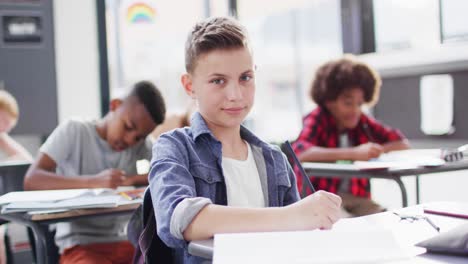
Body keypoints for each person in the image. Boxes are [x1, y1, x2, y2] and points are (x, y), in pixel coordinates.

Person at [149, 17, 341, 263]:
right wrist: (293, 215)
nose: (235, 95)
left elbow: (297, 237)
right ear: (190, 86)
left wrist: (315, 217)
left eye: (245, 78)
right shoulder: (174, 147)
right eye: (218, 81)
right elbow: (181, 220)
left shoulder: (274, 159)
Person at [24, 81, 166, 263]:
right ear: (115, 105)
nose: (131, 140)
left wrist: (131, 180)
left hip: (126, 243)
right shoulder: (75, 130)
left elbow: (164, 172)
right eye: (128, 127)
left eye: (139, 137)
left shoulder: (141, 146)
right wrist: (93, 182)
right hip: (79, 246)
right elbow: (32, 180)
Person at [292, 55, 410, 217]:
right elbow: (301, 152)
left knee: (386, 218)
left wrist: (376, 150)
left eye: (360, 104)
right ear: (329, 101)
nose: (355, 110)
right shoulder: (317, 118)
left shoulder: (361, 121)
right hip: (320, 198)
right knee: (343, 224)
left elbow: (402, 143)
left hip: (356, 197)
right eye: (348, 103)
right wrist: (355, 153)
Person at [0, 90, 32, 161]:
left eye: (10, 126)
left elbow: (27, 159)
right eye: (5, 121)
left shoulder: (1, 137)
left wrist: (5, 164)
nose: (6, 129)